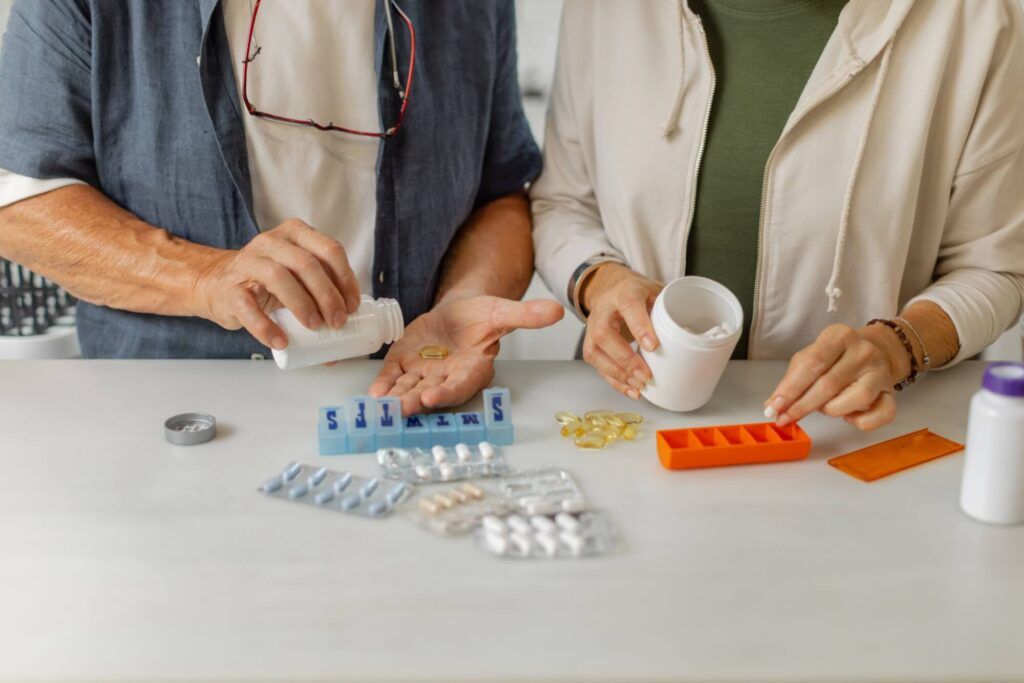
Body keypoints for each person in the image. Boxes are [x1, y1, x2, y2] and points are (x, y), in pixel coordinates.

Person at [0, 0, 563, 415]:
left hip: (409, 402)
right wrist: (204, 278)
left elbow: (501, 192)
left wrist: (461, 305)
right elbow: (17, 202)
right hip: (169, 414)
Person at [532, 0, 1024, 430]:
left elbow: (994, 266)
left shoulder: (978, 19)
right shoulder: (602, 8)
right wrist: (599, 282)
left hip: (850, 436)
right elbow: (563, 202)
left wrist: (897, 346)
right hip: (629, 415)